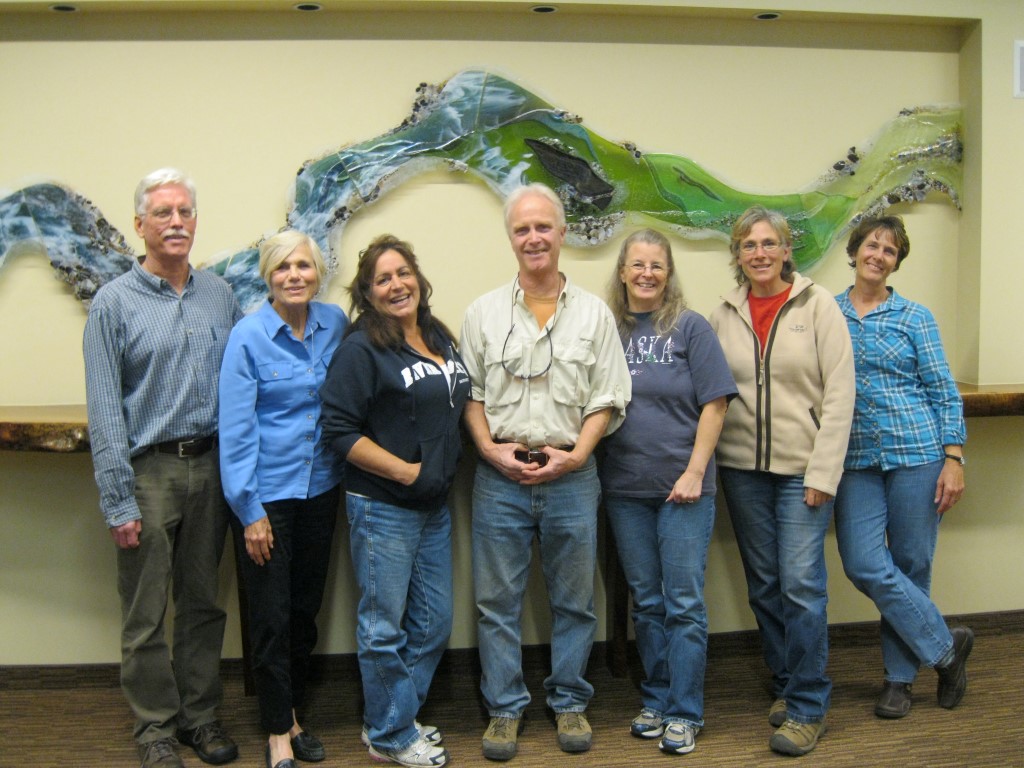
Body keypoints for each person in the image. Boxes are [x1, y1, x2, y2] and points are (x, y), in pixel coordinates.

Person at [459, 183, 631, 761]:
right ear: (511, 238)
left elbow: (606, 396)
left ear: (562, 234)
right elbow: (472, 394)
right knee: (495, 603)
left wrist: (578, 455)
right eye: (521, 229)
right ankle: (505, 709)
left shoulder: (594, 314)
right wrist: (487, 449)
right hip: (500, 476)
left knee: (576, 601)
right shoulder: (482, 313)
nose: (533, 237)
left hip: (573, 477)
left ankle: (570, 701)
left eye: (543, 227)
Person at [84, 168, 241, 768]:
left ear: (195, 222)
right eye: (163, 213)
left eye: (185, 212)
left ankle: (199, 720)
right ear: (140, 225)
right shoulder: (112, 304)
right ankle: (154, 728)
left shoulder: (220, 296)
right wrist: (117, 500)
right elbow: (103, 410)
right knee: (145, 610)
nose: (176, 222)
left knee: (204, 604)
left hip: (212, 469)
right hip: (147, 474)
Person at [708, 205, 854, 757]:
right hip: (743, 471)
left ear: (787, 250)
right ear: (738, 255)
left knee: (801, 587)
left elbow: (840, 396)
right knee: (765, 585)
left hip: (802, 473)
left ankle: (810, 705)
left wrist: (823, 472)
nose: (760, 254)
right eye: (749, 245)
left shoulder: (817, 307)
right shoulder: (724, 313)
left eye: (769, 244)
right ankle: (788, 683)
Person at [320, 234, 469, 768]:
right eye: (383, 279)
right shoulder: (363, 348)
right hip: (383, 507)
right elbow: (338, 429)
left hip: (434, 508)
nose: (396, 284)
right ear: (368, 292)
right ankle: (389, 734)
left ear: (418, 277)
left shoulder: (436, 334)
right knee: (383, 626)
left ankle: (395, 717)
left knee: (431, 625)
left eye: (402, 272)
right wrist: (407, 471)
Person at [600, 229, 737, 756]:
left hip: (684, 487)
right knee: (648, 602)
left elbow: (716, 404)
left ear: (669, 271)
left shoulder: (690, 328)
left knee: (683, 602)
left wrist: (695, 472)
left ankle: (685, 710)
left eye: (657, 265)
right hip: (624, 487)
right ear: (623, 271)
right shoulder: (606, 329)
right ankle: (656, 698)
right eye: (638, 264)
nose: (647, 273)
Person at [218, 231, 347, 768]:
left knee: (303, 609)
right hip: (266, 499)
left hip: (321, 489)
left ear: (317, 273)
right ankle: (276, 732)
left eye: (303, 266)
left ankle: (293, 712)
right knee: (270, 615)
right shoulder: (248, 337)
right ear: (267, 277)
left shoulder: (334, 323)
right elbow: (237, 429)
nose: (294, 275)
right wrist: (249, 511)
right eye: (282, 268)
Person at [833, 215, 971, 720]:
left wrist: (953, 459)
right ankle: (946, 647)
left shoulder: (916, 317)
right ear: (855, 251)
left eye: (889, 251)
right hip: (854, 460)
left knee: (912, 565)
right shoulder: (828, 313)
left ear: (896, 262)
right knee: (864, 562)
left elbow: (942, 390)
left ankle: (899, 680)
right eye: (872, 245)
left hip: (918, 453)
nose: (878, 255)